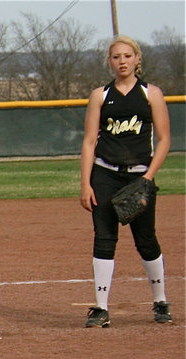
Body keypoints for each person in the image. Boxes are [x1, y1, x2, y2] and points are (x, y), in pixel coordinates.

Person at [79, 36, 173, 328]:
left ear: (137, 59)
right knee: (104, 238)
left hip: (139, 174)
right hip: (105, 173)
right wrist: (86, 183)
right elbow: (89, 141)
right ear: (109, 61)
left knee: (146, 239)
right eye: (116, 56)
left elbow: (165, 140)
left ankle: (160, 301)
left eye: (127, 55)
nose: (122, 61)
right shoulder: (100, 96)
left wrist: (147, 178)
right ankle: (101, 307)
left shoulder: (151, 94)